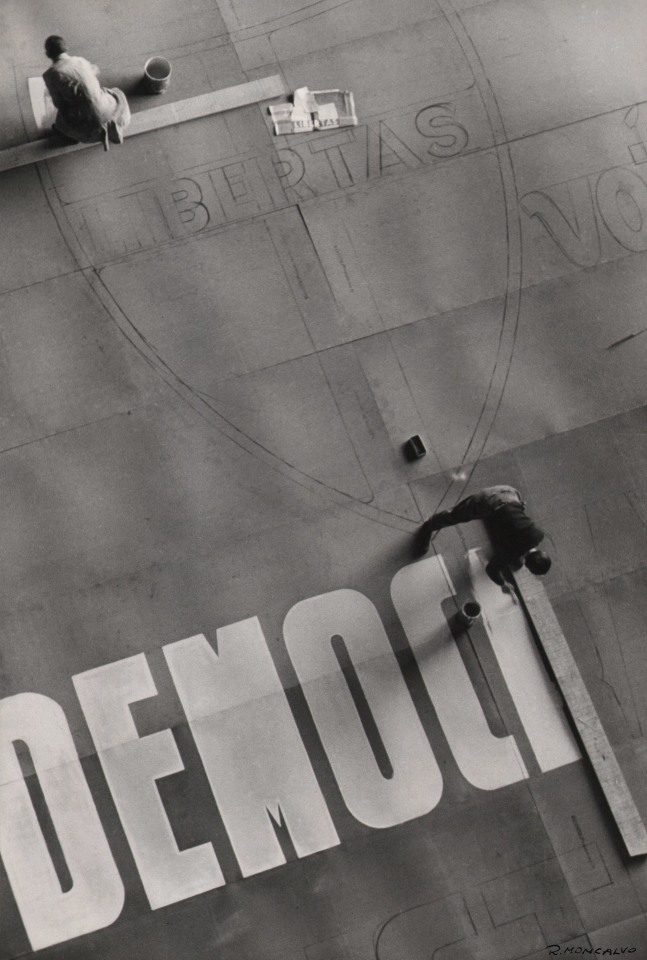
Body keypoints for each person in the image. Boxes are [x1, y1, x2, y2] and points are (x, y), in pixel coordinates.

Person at [418, 484, 551, 592]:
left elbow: (519, 533)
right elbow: (491, 569)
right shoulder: (510, 553)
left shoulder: (538, 535)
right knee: (456, 515)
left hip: (509, 492)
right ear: (526, 564)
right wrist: (502, 583)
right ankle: (428, 526)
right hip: (486, 500)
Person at [43, 35, 130, 150]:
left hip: (90, 132)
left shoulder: (50, 75)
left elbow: (59, 104)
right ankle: (113, 129)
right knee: (115, 92)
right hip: (117, 116)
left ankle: (71, 138)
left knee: (61, 120)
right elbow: (95, 71)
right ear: (66, 48)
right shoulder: (80, 60)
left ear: (48, 54)